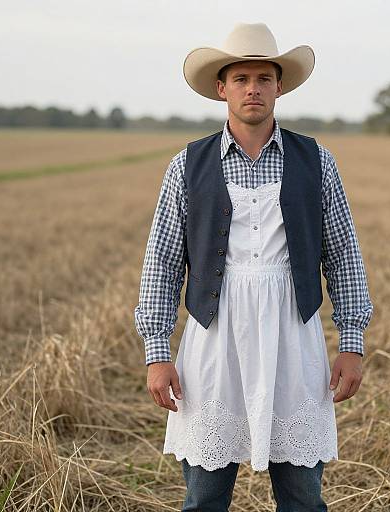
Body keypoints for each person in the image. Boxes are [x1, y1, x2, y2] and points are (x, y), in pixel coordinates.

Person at [134, 21, 374, 512]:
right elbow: (161, 260)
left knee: (304, 497)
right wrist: (157, 351)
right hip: (213, 340)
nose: (252, 89)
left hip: (293, 336)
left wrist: (352, 343)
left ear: (279, 86)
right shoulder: (187, 165)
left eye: (263, 78)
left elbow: (344, 253)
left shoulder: (317, 161)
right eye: (241, 79)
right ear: (221, 88)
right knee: (203, 498)